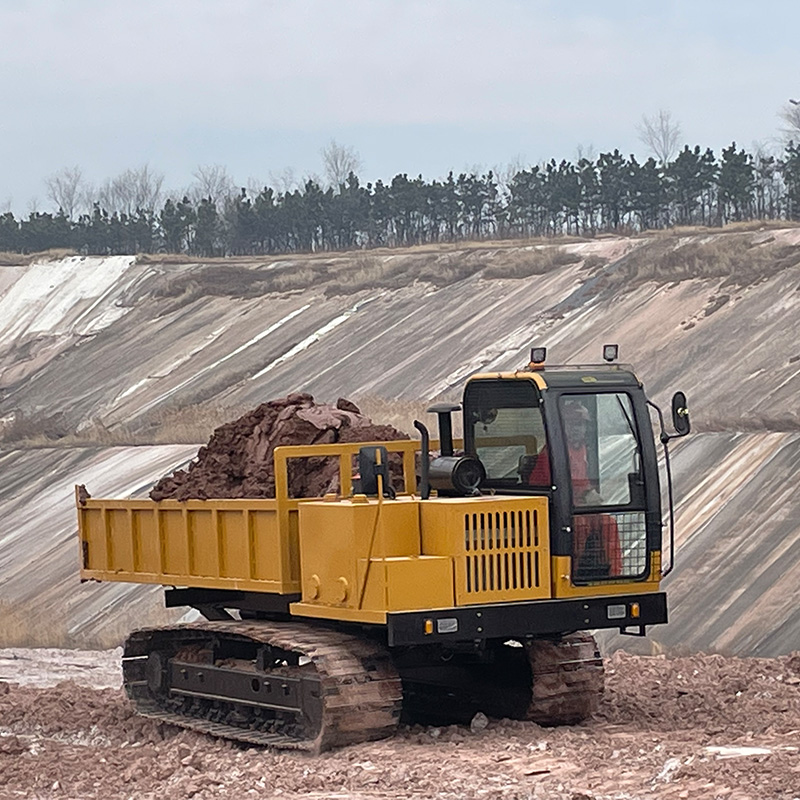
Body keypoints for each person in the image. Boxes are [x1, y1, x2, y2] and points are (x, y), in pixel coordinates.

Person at [528, 400, 621, 577]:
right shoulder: (550, 455)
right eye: (572, 424)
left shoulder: (581, 450)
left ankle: (615, 575)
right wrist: (585, 493)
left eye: (580, 424)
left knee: (609, 523)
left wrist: (589, 493)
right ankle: (572, 574)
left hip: (577, 506)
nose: (577, 429)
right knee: (579, 526)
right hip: (552, 510)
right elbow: (553, 488)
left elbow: (581, 480)